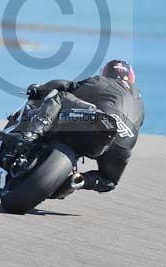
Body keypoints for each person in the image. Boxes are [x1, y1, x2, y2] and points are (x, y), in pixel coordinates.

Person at [21, 59, 144, 193]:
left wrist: (40, 89)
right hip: (124, 143)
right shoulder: (139, 100)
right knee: (109, 181)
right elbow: (139, 123)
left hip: (99, 122)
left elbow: (66, 85)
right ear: (131, 77)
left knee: (61, 95)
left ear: (106, 72)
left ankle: (33, 133)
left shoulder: (101, 80)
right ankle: (80, 180)